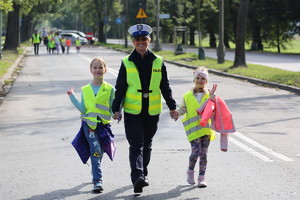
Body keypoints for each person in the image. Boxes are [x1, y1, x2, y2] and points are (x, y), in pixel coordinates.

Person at [112, 24, 177, 193]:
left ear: (149, 41)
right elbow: (120, 87)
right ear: (133, 42)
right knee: (136, 144)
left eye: (144, 39)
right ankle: (137, 176)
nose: (141, 42)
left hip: (152, 110)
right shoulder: (126, 62)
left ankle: (143, 173)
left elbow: (165, 86)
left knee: (147, 144)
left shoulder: (158, 61)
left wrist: (172, 106)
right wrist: (116, 108)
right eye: (137, 40)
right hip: (133, 111)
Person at [173, 67, 231, 188]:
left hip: (206, 130)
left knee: (204, 153)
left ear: (206, 81)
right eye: (198, 78)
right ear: (194, 80)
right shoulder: (187, 96)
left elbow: (218, 109)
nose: (200, 80)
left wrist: (213, 98)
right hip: (193, 131)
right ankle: (190, 171)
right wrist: (177, 113)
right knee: (196, 152)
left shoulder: (210, 95)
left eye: (203, 78)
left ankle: (201, 178)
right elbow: (183, 109)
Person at [66, 57, 115, 193]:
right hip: (89, 125)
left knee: (101, 150)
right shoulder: (86, 89)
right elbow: (83, 108)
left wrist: (117, 113)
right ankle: (98, 180)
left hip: (104, 125)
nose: (98, 70)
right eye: (95, 67)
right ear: (91, 70)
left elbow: (112, 107)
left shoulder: (110, 89)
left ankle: (95, 171)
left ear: (105, 69)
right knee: (95, 150)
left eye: (100, 67)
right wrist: (72, 96)